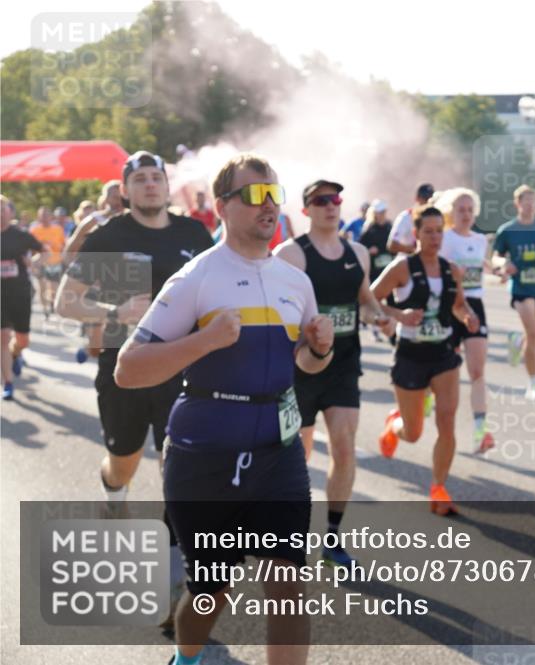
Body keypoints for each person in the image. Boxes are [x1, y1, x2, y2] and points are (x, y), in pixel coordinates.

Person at [115, 153, 331, 665]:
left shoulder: (295, 281)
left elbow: (307, 364)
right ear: (222, 207)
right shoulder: (196, 278)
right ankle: (187, 658)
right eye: (255, 194)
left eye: (274, 193)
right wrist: (206, 341)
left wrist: (319, 349)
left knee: (287, 583)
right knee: (211, 592)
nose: (269, 204)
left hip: (279, 455)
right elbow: (129, 368)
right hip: (206, 458)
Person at [56, 152, 213, 504]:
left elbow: (219, 290)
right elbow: (65, 301)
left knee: (177, 461)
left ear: (168, 186)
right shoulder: (109, 237)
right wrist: (115, 314)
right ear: (125, 191)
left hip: (182, 367)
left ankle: (181, 538)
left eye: (156, 178)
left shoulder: (193, 233)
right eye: (139, 179)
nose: (150, 185)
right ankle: (114, 492)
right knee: (123, 463)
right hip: (123, 369)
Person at [275, 178, 388, 568]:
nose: (331, 205)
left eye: (336, 198)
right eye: (321, 200)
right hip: (301, 368)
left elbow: (367, 301)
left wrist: (382, 318)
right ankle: (291, 532)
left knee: (343, 445)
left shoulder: (357, 252)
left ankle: (334, 538)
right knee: (299, 454)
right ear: (306, 210)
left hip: (342, 365)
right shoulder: (290, 254)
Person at [371, 204, 479, 516]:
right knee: (414, 432)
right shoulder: (402, 268)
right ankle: (395, 427)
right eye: (428, 232)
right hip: (410, 356)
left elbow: (459, 305)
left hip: (444, 354)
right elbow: (370, 299)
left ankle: (439, 487)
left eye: (438, 231)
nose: (434, 237)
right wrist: (400, 315)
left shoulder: (451, 269)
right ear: (416, 234)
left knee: (446, 422)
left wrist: (468, 316)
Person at [437, 187, 496, 453]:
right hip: (448, 306)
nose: (466, 214)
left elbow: (482, 262)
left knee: (477, 371)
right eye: (461, 209)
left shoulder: (480, 239)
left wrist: (497, 267)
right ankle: (425, 398)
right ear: (450, 212)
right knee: (440, 370)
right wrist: (452, 274)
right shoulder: (443, 238)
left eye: (470, 209)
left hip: (475, 306)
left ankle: (480, 430)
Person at [491, 184, 535, 402]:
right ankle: (534, 384)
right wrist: (504, 263)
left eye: (533, 201)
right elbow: (496, 257)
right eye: (525, 201)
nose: (529, 205)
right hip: (520, 287)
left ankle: (518, 342)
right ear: (517, 204)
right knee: (534, 332)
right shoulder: (508, 231)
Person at [64, 181, 125, 363]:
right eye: (114, 197)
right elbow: (69, 251)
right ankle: (90, 348)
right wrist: (81, 277)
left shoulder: (134, 224)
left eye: (121, 197)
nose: (118, 201)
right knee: (97, 344)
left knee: (119, 335)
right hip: (96, 286)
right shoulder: (93, 221)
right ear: (105, 199)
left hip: (125, 285)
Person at [1, 195, 43, 400]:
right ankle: (8, 383)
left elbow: (44, 252)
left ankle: (16, 353)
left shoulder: (21, 236)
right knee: (2, 337)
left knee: (22, 340)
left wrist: (33, 263)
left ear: (11, 212)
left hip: (20, 293)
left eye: (3, 209)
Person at [29, 205, 66, 319]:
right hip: (41, 263)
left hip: (55, 262)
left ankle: (52, 304)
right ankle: (45, 310)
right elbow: (30, 248)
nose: (44, 218)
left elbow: (63, 245)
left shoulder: (58, 229)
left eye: (46, 215)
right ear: (39, 217)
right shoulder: (34, 230)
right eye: (42, 216)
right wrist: (40, 247)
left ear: (51, 217)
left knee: (54, 288)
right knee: (42, 287)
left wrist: (52, 244)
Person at [387, 183, 434, 255]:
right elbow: (392, 245)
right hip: (408, 262)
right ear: (417, 199)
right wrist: (414, 249)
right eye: (425, 199)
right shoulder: (405, 217)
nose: (428, 203)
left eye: (431, 200)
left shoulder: (436, 218)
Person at [360, 199, 393, 282]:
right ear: (374, 213)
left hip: (389, 268)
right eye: (380, 212)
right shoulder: (369, 229)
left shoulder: (390, 227)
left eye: (383, 211)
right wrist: (369, 250)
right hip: (374, 270)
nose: (382, 214)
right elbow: (360, 248)